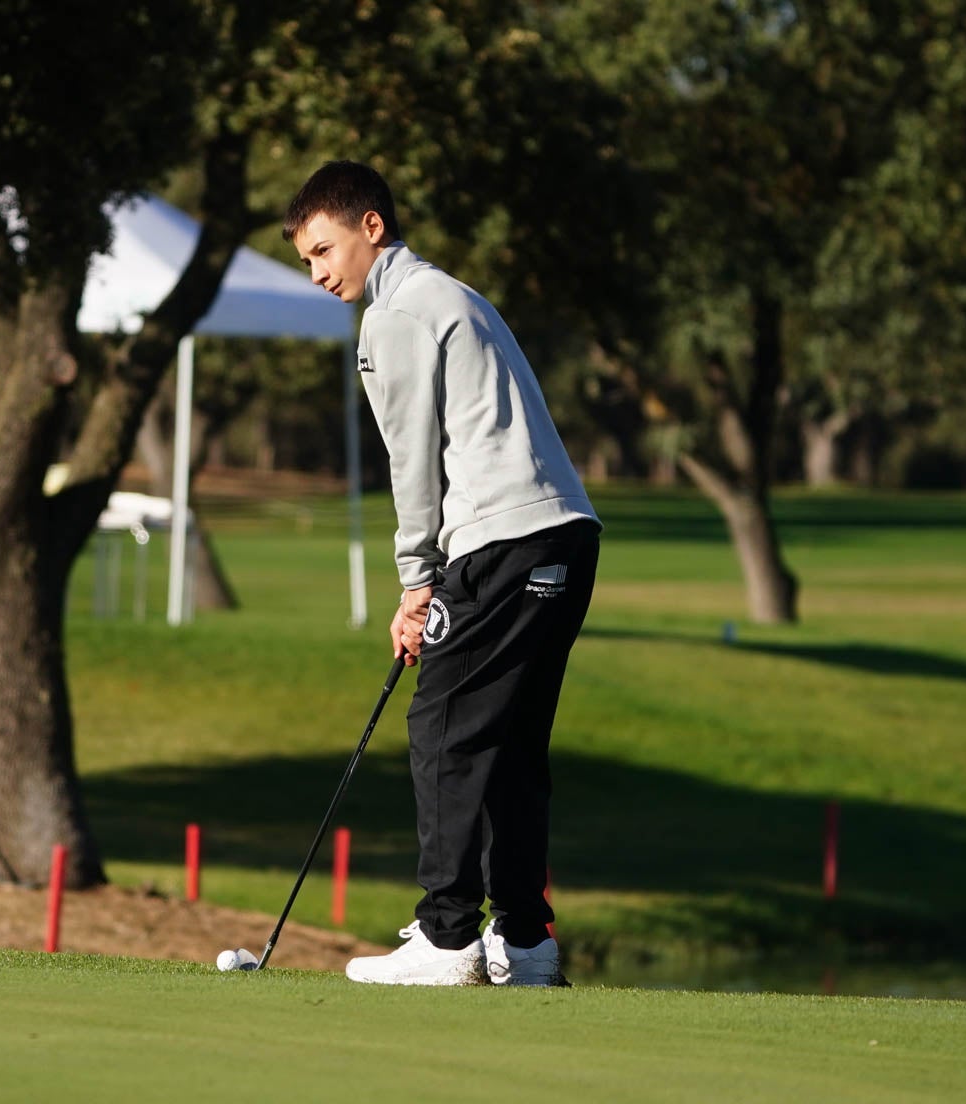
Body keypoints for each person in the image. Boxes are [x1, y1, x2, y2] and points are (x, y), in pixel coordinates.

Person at [285, 161, 600, 986]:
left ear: (371, 229)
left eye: (324, 250)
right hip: (566, 539)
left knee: (446, 729)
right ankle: (526, 942)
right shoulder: (457, 296)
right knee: (512, 744)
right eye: (307, 260)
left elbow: (411, 463)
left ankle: (450, 935)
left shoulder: (394, 316)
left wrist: (416, 582)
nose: (319, 273)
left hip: (499, 543)